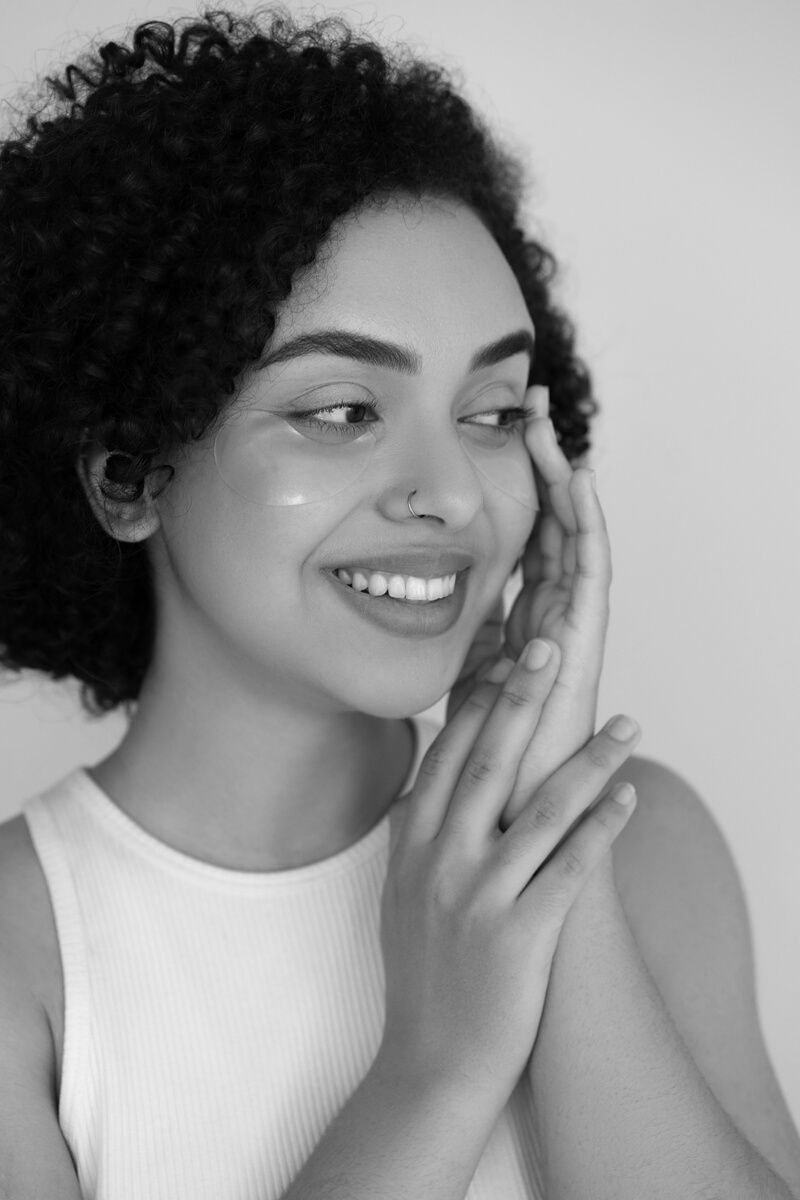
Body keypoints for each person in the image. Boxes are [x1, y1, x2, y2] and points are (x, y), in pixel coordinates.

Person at [0, 6, 798, 1199]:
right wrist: (436, 1062)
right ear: (128, 476)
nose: (451, 496)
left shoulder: (644, 844)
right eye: (340, 410)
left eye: (489, 415)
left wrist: (545, 860)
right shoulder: (23, 962)